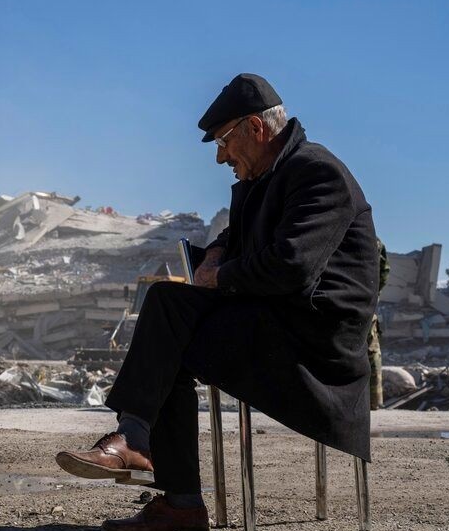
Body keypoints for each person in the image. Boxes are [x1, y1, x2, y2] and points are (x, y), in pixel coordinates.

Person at [55, 74, 379, 531]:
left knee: (169, 312)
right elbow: (242, 236)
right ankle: (170, 489)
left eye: (224, 141)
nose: (220, 155)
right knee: (170, 331)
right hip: (274, 321)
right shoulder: (266, 176)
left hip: (314, 340)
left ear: (255, 128)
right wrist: (217, 252)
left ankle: (153, 463)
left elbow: (292, 266)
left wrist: (221, 275)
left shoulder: (316, 173)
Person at [369, 239, 390, 409]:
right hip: (366, 302)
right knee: (372, 351)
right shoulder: (374, 240)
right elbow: (384, 272)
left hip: (336, 299)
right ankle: (374, 401)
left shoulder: (333, 228)